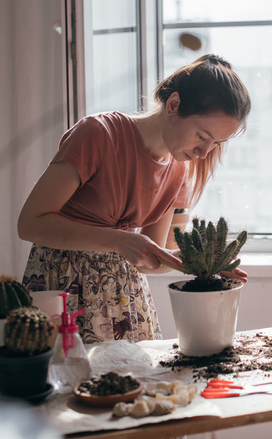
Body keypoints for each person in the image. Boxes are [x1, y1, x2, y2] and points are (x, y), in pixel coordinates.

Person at [18, 54, 251, 344]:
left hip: (124, 299)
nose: (204, 152)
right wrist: (119, 240)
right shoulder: (98, 134)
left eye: (215, 144)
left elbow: (149, 261)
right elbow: (29, 224)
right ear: (174, 104)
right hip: (62, 288)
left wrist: (202, 265)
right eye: (202, 136)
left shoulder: (178, 171)